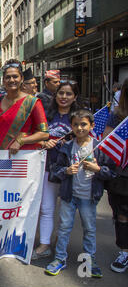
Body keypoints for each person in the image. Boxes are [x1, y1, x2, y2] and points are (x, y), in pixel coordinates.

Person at [45, 109, 116, 277]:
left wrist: (97, 169)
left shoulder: (99, 148)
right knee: (64, 228)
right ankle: (60, 259)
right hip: (69, 196)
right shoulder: (67, 147)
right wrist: (66, 171)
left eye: (83, 124)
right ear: (71, 126)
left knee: (89, 229)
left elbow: (111, 173)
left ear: (91, 126)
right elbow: (55, 171)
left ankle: (89, 260)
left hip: (89, 197)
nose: (79, 128)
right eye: (75, 124)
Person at [32, 80, 81, 260]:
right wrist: (44, 142)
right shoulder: (46, 115)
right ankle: (45, 245)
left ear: (75, 97)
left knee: (67, 210)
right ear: (55, 94)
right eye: (61, 93)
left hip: (72, 169)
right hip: (48, 168)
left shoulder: (80, 118)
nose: (64, 97)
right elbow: (33, 134)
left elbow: (87, 141)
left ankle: (62, 244)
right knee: (46, 208)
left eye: (69, 94)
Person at [0, 59, 49, 156]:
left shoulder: (32, 102)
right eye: (8, 77)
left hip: (22, 155)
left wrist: (20, 140)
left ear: (21, 78)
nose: (11, 80)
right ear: (3, 80)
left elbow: (44, 133)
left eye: (15, 77)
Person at [103, 78, 128, 273]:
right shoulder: (116, 117)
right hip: (121, 177)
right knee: (122, 215)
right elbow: (107, 143)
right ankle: (125, 250)